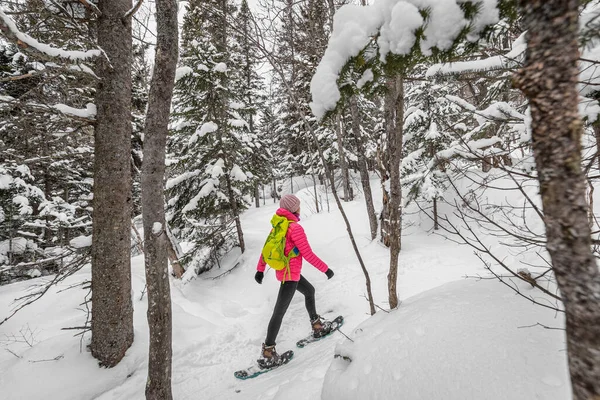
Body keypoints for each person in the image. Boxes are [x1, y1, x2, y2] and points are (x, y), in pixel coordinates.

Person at [255, 194, 335, 368]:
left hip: (287, 272)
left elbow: (265, 250)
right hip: (290, 275)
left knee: (310, 291)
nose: (300, 208)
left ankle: (317, 326)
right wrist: (326, 269)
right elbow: (308, 254)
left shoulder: (278, 225)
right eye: (298, 206)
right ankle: (268, 352)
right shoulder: (294, 228)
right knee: (279, 312)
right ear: (293, 209)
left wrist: (260, 270)